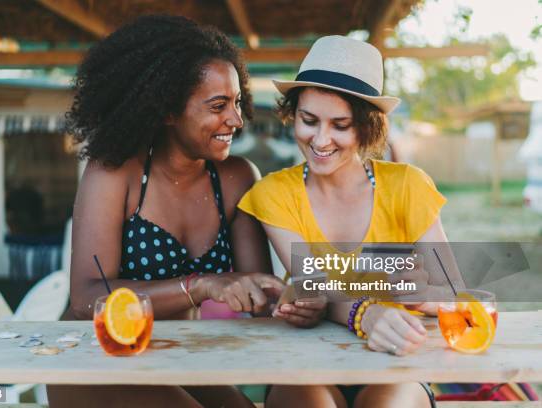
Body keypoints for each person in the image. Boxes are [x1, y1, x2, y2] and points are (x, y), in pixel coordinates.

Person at [47, 15, 287, 407]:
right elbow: (87, 296)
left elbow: (257, 294)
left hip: (172, 355)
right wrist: (200, 285)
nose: (237, 120)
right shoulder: (115, 173)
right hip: (95, 356)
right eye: (218, 105)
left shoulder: (237, 177)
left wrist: (291, 296)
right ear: (167, 111)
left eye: (237, 102)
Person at [238, 36, 462, 408]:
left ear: (366, 129)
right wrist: (366, 311)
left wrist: (423, 297)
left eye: (340, 125)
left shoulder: (407, 185)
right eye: (309, 121)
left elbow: (455, 294)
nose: (320, 140)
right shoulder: (275, 192)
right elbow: (316, 287)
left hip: (395, 357)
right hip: (306, 360)